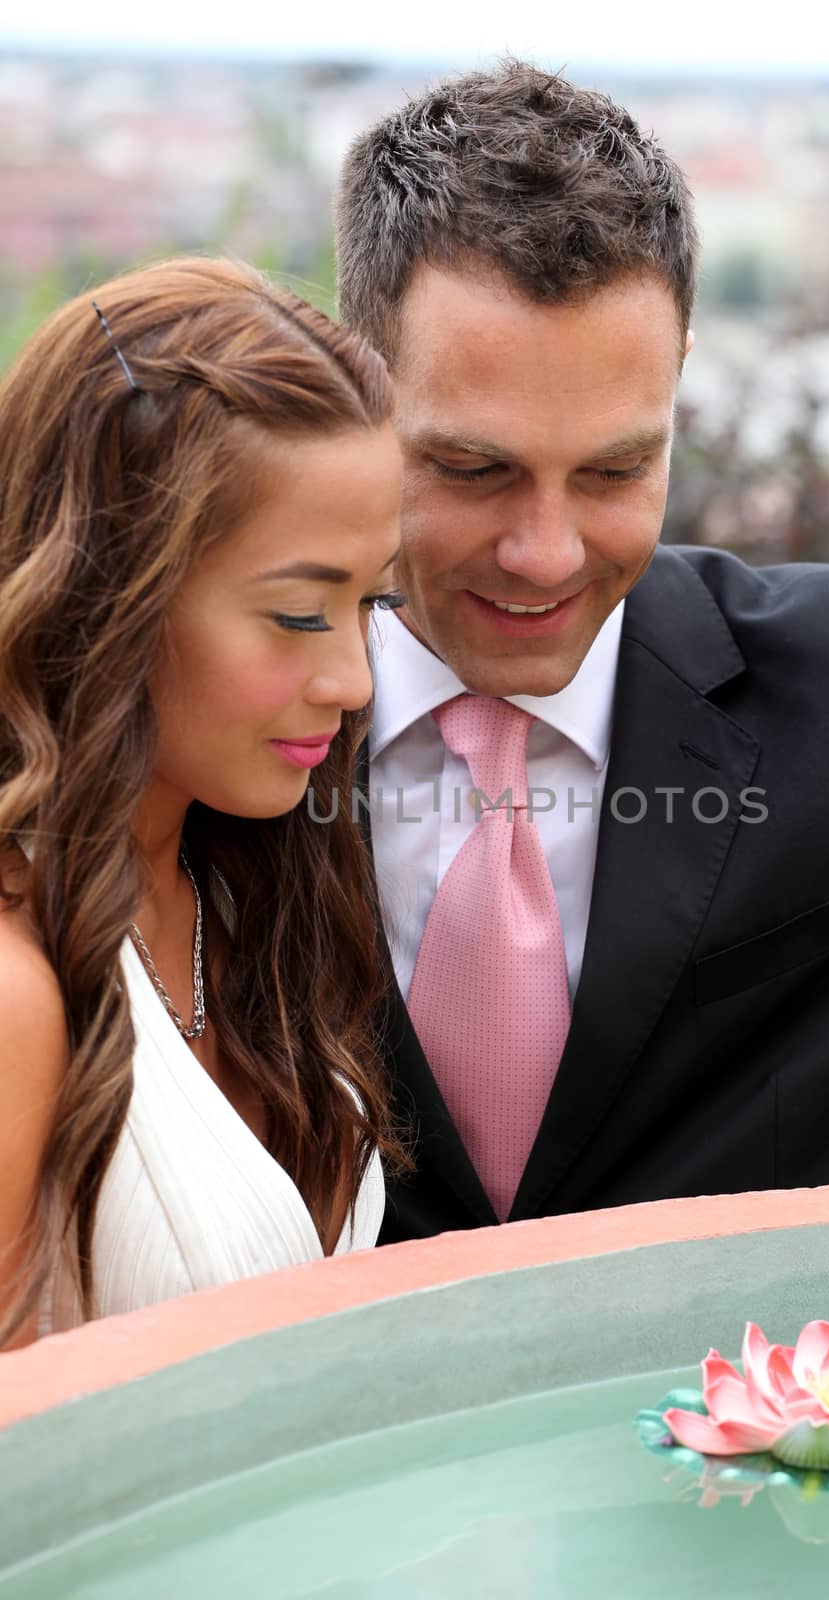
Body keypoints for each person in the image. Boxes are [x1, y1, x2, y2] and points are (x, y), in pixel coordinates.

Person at [334, 61, 829, 1243]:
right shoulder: (218, 733)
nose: (544, 551)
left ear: (676, 380)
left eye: (617, 470)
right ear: (356, 391)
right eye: (474, 469)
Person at [0, 258, 407, 1349]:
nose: (355, 681)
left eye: (370, 602)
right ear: (107, 594)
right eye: (295, 613)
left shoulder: (247, 892)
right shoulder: (14, 988)